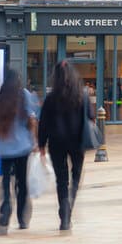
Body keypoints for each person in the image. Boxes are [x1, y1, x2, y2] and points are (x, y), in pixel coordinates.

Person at [37, 60, 93, 232]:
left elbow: (43, 123)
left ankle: (64, 215)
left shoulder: (51, 98)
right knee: (75, 178)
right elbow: (91, 117)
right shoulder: (82, 96)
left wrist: (41, 144)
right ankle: (68, 210)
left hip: (56, 143)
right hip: (77, 143)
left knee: (61, 180)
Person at [0, 69, 38, 235]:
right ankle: (22, 218)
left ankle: (5, 209)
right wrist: (34, 141)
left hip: (4, 148)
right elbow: (31, 119)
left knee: (5, 182)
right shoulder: (23, 94)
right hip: (22, 147)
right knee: (21, 182)